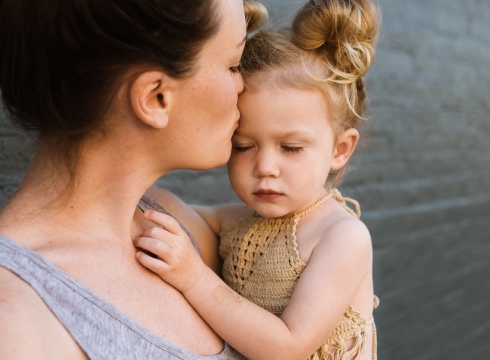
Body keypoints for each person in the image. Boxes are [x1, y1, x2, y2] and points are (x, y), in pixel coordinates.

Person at [0, 0, 267, 359]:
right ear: (155, 97)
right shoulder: (16, 321)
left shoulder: (173, 224)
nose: (243, 85)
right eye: (233, 65)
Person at [133, 0, 382, 359]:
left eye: (291, 148)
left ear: (340, 149)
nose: (265, 166)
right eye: (244, 145)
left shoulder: (341, 238)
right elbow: (171, 208)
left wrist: (193, 276)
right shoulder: (237, 223)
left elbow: (287, 347)